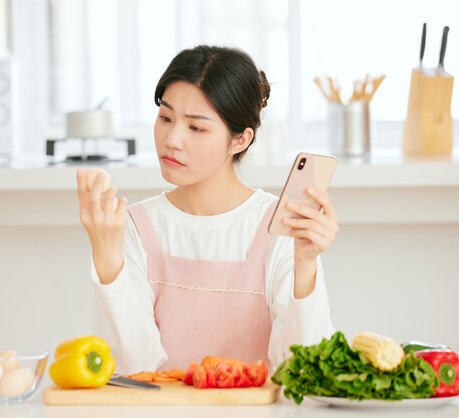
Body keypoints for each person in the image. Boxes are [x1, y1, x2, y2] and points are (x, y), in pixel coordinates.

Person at [76, 45, 338, 374]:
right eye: (165, 118)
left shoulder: (279, 227)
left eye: (196, 128)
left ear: (240, 140)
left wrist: (306, 264)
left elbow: (303, 369)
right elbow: (130, 371)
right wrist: (106, 256)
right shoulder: (135, 226)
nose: (172, 139)